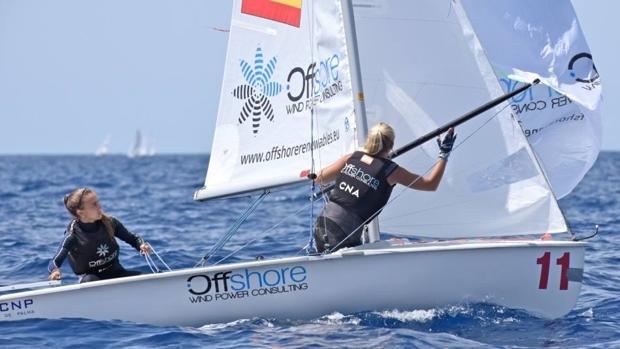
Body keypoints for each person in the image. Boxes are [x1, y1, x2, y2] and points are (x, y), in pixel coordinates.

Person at [312, 122, 456, 253]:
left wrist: (350, 177)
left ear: (369, 140)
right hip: (344, 231)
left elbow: (319, 178)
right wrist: (444, 153)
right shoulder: (391, 171)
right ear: (391, 145)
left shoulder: (351, 158)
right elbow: (430, 184)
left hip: (322, 224)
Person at [48, 187, 151, 283]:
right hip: (91, 281)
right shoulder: (72, 236)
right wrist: (55, 271)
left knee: (146, 280)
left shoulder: (110, 223)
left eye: (98, 202)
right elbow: (54, 262)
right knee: (90, 280)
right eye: (94, 205)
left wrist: (141, 245)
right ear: (80, 212)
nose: (99, 207)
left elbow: (133, 239)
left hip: (117, 274)